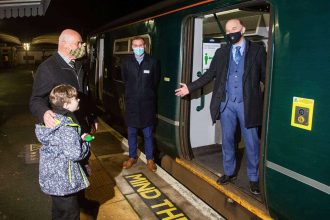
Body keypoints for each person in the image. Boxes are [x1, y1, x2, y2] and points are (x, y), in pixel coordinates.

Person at [175, 19, 266, 195]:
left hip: (248, 104)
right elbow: (209, 75)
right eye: (228, 30)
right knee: (228, 141)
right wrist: (189, 88)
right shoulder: (222, 52)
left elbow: (266, 77)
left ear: (243, 29)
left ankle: (254, 179)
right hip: (226, 104)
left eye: (234, 29)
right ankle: (229, 172)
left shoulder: (257, 51)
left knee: (252, 143)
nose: (230, 32)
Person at [29, 29, 97, 175]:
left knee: (84, 161)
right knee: (70, 168)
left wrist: (92, 116)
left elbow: (86, 93)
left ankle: (81, 197)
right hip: (65, 130)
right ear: (65, 45)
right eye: (78, 43)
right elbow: (36, 99)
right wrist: (44, 112)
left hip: (82, 123)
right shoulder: (48, 68)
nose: (81, 47)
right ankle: (73, 198)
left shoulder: (79, 64)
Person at [35, 84, 90, 220]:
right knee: (70, 214)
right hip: (65, 179)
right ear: (66, 104)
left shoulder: (54, 120)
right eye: (75, 98)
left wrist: (77, 139)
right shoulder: (67, 126)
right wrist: (85, 142)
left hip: (53, 176)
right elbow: (75, 154)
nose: (79, 100)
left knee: (59, 211)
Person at [121, 37, 160, 172]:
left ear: (145, 46)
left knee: (148, 134)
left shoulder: (153, 62)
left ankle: (150, 159)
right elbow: (125, 79)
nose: (138, 47)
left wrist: (145, 93)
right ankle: (132, 157)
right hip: (131, 103)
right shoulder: (126, 62)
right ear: (132, 46)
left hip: (147, 104)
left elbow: (155, 82)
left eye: (140, 45)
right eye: (135, 45)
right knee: (131, 132)